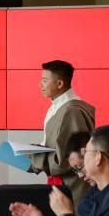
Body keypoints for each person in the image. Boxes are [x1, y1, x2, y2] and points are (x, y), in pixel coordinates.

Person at [29, 60, 95, 207]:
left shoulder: (71, 110)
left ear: (59, 84)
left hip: (73, 185)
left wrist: (34, 159)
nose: (40, 85)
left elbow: (69, 158)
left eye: (44, 80)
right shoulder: (60, 106)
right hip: (64, 182)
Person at [64, 131, 97, 216]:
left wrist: (66, 214)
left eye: (80, 167)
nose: (80, 175)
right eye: (75, 170)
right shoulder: (94, 191)